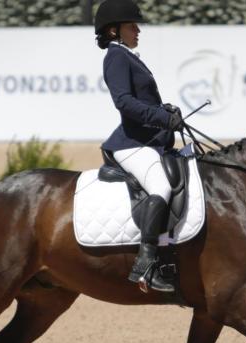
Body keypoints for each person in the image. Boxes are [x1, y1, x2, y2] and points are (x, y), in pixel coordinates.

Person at [94, 0, 184, 293]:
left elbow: (144, 101)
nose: (137, 30)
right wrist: (161, 116)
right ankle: (146, 265)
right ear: (114, 30)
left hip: (149, 142)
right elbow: (124, 103)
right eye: (132, 25)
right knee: (161, 187)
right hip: (131, 143)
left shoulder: (129, 56)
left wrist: (165, 111)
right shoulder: (116, 57)